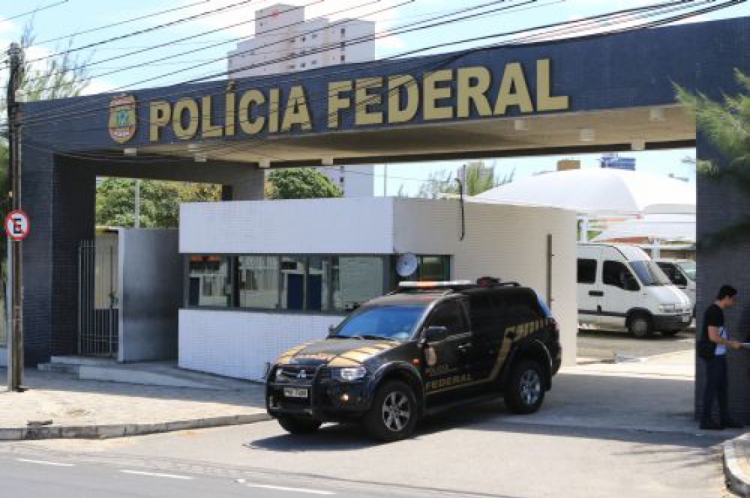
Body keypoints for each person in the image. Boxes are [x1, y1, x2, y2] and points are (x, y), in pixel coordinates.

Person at [699, 285, 744, 430]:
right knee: (711, 388)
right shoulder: (714, 312)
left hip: (720, 355)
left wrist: (732, 340)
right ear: (726, 298)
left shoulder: (719, 311)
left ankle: (725, 418)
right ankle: (705, 420)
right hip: (714, 357)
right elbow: (713, 337)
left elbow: (720, 334)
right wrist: (731, 344)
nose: (734, 302)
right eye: (734, 299)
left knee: (722, 389)